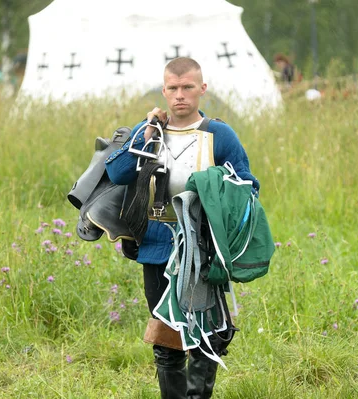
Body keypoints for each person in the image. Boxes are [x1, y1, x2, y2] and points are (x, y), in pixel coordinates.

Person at [105, 57, 260, 398]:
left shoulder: (219, 134)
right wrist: (146, 136)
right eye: (173, 88)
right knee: (165, 338)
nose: (180, 95)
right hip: (158, 246)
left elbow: (248, 187)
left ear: (202, 89)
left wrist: (215, 198)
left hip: (203, 248)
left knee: (206, 334)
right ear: (164, 90)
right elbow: (116, 174)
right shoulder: (149, 130)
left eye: (188, 87)